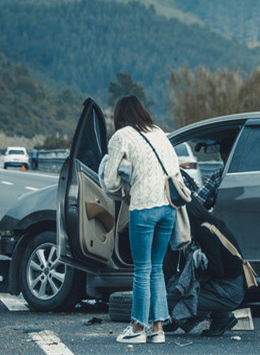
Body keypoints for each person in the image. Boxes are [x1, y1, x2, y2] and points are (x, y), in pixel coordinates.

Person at [103, 96, 179, 344]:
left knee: (142, 269)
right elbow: (174, 168)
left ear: (120, 116)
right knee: (157, 268)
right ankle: (158, 329)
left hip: (144, 208)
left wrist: (126, 185)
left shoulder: (121, 136)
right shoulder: (159, 132)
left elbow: (110, 181)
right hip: (168, 208)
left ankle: (137, 328)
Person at [164, 152, 247, 337]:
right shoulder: (211, 223)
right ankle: (221, 319)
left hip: (232, 290)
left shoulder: (203, 232)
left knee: (186, 296)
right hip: (235, 284)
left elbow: (217, 272)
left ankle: (221, 316)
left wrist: (192, 279)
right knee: (184, 285)